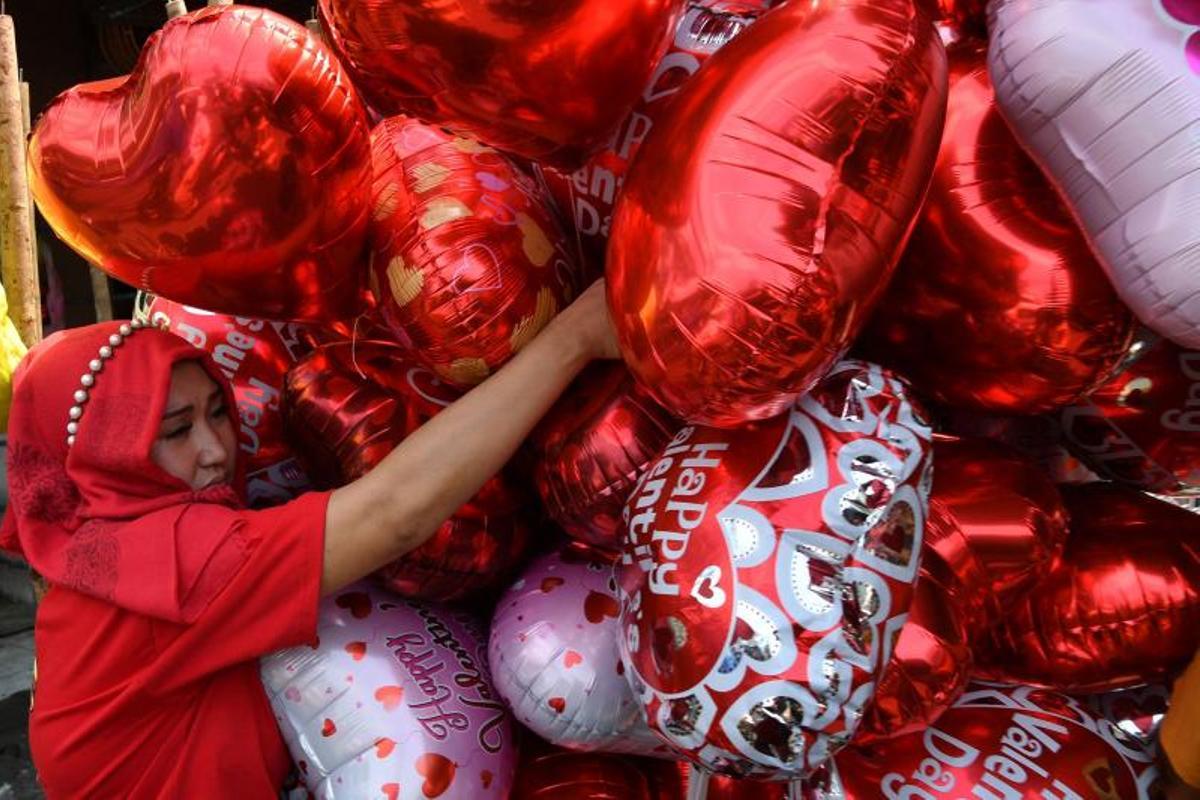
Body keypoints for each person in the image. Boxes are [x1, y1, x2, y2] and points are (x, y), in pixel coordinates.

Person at [0, 280, 618, 798]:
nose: (216, 451)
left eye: (218, 412)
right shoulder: (164, 565)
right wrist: (573, 339)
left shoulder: (94, 567)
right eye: (176, 431)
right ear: (103, 457)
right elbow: (395, 513)